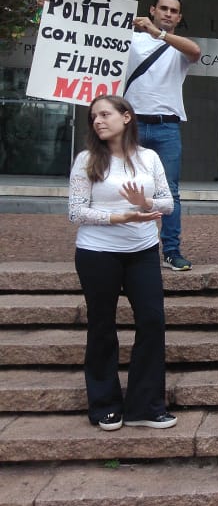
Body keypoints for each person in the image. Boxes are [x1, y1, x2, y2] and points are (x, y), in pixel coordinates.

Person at [69, 95, 177, 430]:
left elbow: (168, 204)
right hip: (96, 253)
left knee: (152, 321)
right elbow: (75, 211)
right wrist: (118, 216)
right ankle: (105, 405)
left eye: (105, 114)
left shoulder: (149, 157)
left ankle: (146, 406)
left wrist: (143, 202)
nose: (98, 121)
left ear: (126, 117)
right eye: (94, 117)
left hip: (143, 250)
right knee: (102, 326)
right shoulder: (87, 160)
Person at [125, 0, 201, 271]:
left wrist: (158, 33)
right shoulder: (132, 40)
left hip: (167, 125)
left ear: (179, 17)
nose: (168, 13)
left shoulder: (176, 46)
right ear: (152, 9)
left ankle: (171, 249)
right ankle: (128, 248)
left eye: (174, 11)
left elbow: (195, 51)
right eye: (164, 9)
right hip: (131, 125)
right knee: (123, 185)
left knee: (170, 192)